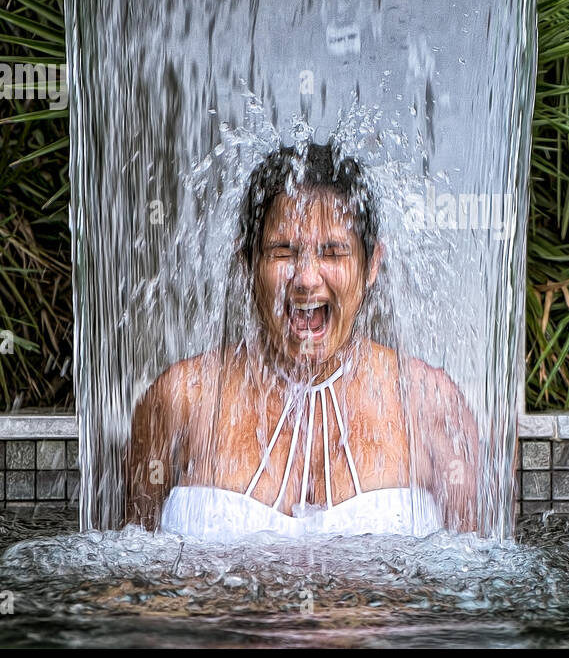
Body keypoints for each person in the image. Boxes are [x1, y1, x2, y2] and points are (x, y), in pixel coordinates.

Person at [124, 142, 479, 539]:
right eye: (283, 251)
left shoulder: (429, 402)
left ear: (371, 265)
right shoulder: (182, 399)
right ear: (248, 263)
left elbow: (475, 582)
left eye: (333, 252)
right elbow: (132, 573)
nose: (307, 278)